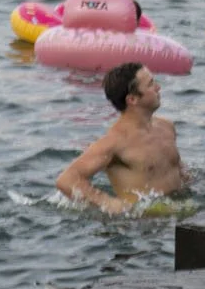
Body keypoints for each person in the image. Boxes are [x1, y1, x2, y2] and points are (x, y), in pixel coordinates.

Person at [53, 62, 188, 215]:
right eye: (151, 84)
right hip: (142, 224)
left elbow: (179, 171)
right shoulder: (114, 143)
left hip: (180, 212)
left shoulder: (166, 127)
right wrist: (107, 202)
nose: (158, 87)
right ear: (132, 99)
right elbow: (66, 180)